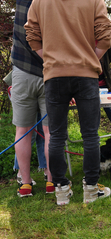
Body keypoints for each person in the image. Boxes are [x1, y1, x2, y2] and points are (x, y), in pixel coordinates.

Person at [25, 0, 111, 205]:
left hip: (54, 75)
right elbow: (105, 37)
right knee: (90, 135)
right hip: (86, 75)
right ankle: (91, 189)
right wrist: (91, 58)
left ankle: (61, 191)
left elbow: (32, 37)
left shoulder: (39, 1)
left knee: (56, 135)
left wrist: (50, 60)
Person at [11, 0, 53, 197]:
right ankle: (52, 181)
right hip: (50, 70)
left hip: (22, 70)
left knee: (22, 131)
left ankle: (25, 184)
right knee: (50, 131)